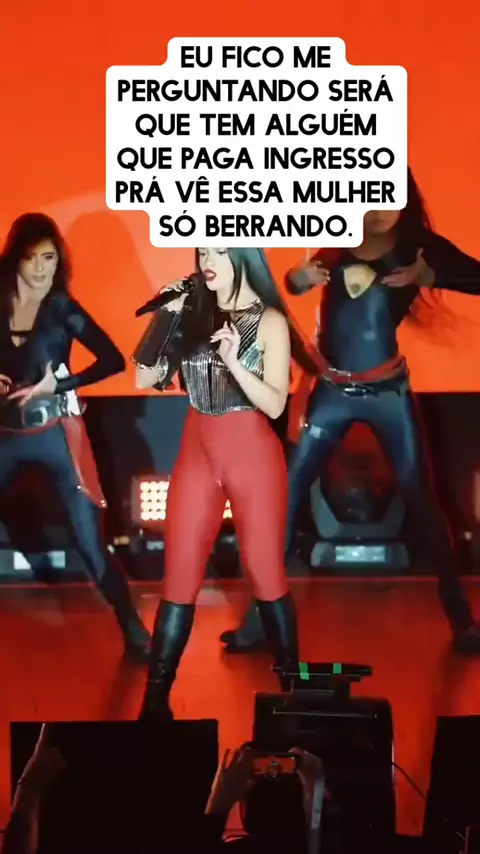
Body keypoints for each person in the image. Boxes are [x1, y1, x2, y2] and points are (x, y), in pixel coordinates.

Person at [220, 168, 480, 655]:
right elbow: (298, 283)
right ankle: (259, 622)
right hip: (332, 394)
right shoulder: (338, 239)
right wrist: (296, 280)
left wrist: (431, 276)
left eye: (390, 198)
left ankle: (462, 621)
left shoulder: (420, 248)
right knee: (284, 498)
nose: (379, 209)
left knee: (421, 501)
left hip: (388, 395)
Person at [135, 247, 319, 722]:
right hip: (197, 450)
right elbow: (143, 376)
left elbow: (275, 405)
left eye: (219, 251)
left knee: (265, 573)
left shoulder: (269, 321)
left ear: (241, 254)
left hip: (251, 454)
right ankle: (154, 704)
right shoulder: (192, 310)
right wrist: (166, 318)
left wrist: (235, 361)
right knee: (179, 577)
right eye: (202, 252)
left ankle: (294, 694)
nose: (207, 261)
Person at [0, 213, 150, 662]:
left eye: (49, 258)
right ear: (15, 259)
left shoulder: (63, 309)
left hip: (55, 436)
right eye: (32, 258)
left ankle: (132, 626)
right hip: (5, 436)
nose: (41, 268)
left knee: (89, 541)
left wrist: (60, 385)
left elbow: (113, 360)